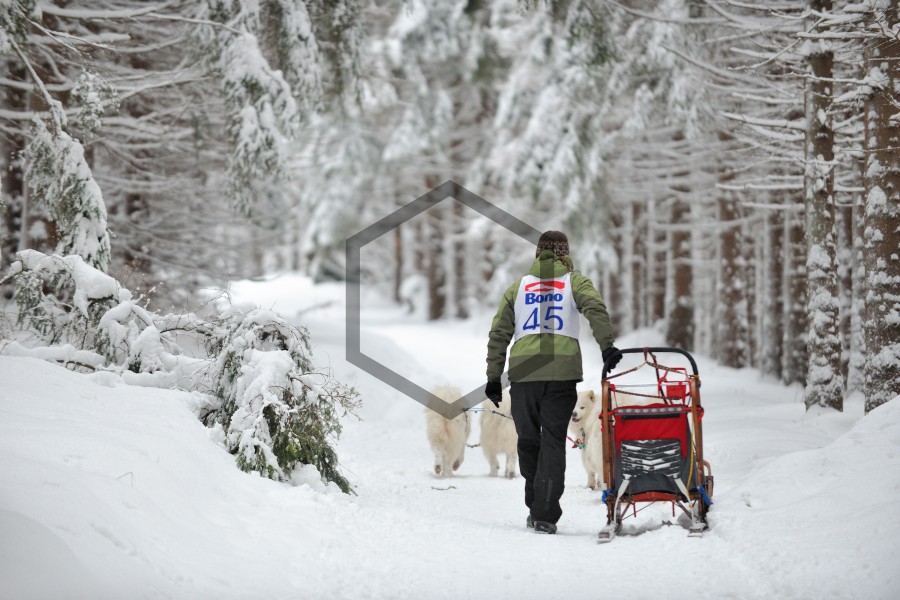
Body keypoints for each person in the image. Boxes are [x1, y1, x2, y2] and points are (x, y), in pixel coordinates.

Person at [485, 230, 620, 534]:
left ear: (538, 254)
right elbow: (595, 308)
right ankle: (544, 513)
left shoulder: (518, 287)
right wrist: (607, 346)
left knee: (528, 441)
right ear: (565, 254)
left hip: (524, 376)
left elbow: (499, 333)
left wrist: (493, 376)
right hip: (561, 375)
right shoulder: (575, 282)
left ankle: (536, 506)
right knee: (553, 442)